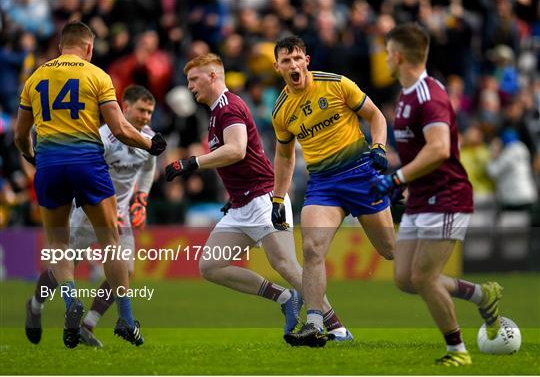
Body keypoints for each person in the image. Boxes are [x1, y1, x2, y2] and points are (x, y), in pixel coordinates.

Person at [165, 53, 352, 340]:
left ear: (213, 77)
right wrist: (233, 194)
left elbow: (237, 149)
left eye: (194, 79)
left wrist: (192, 162)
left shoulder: (228, 107)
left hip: (265, 199)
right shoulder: (215, 112)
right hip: (241, 204)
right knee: (210, 265)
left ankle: (337, 328)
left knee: (286, 265)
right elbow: (241, 158)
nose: (190, 86)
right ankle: (284, 298)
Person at [15, 22, 166, 348]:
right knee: (110, 243)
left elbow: (19, 135)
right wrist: (150, 144)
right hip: (87, 164)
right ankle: (124, 318)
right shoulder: (98, 76)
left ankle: (73, 308)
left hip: (50, 163)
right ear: (88, 48)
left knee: (58, 249)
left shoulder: (35, 77)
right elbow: (121, 129)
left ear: (60, 45)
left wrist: (31, 156)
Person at [371, 22, 503, 366]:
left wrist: (397, 178)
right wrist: (408, 183)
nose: (384, 59)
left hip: (447, 197)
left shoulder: (430, 96)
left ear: (398, 56)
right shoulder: (407, 95)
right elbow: (421, 156)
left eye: (387, 53)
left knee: (424, 277)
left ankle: (457, 351)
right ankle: (480, 294)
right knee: (405, 279)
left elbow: (440, 148)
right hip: (422, 198)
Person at [271, 35, 395, 347]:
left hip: (360, 175)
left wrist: (379, 147)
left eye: (298, 58)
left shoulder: (337, 84)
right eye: (286, 61)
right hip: (323, 184)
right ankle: (315, 323)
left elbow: (376, 116)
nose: (293, 65)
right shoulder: (281, 111)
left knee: (391, 251)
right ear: (277, 67)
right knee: (312, 248)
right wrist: (277, 197)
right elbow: (285, 157)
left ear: (307, 61)